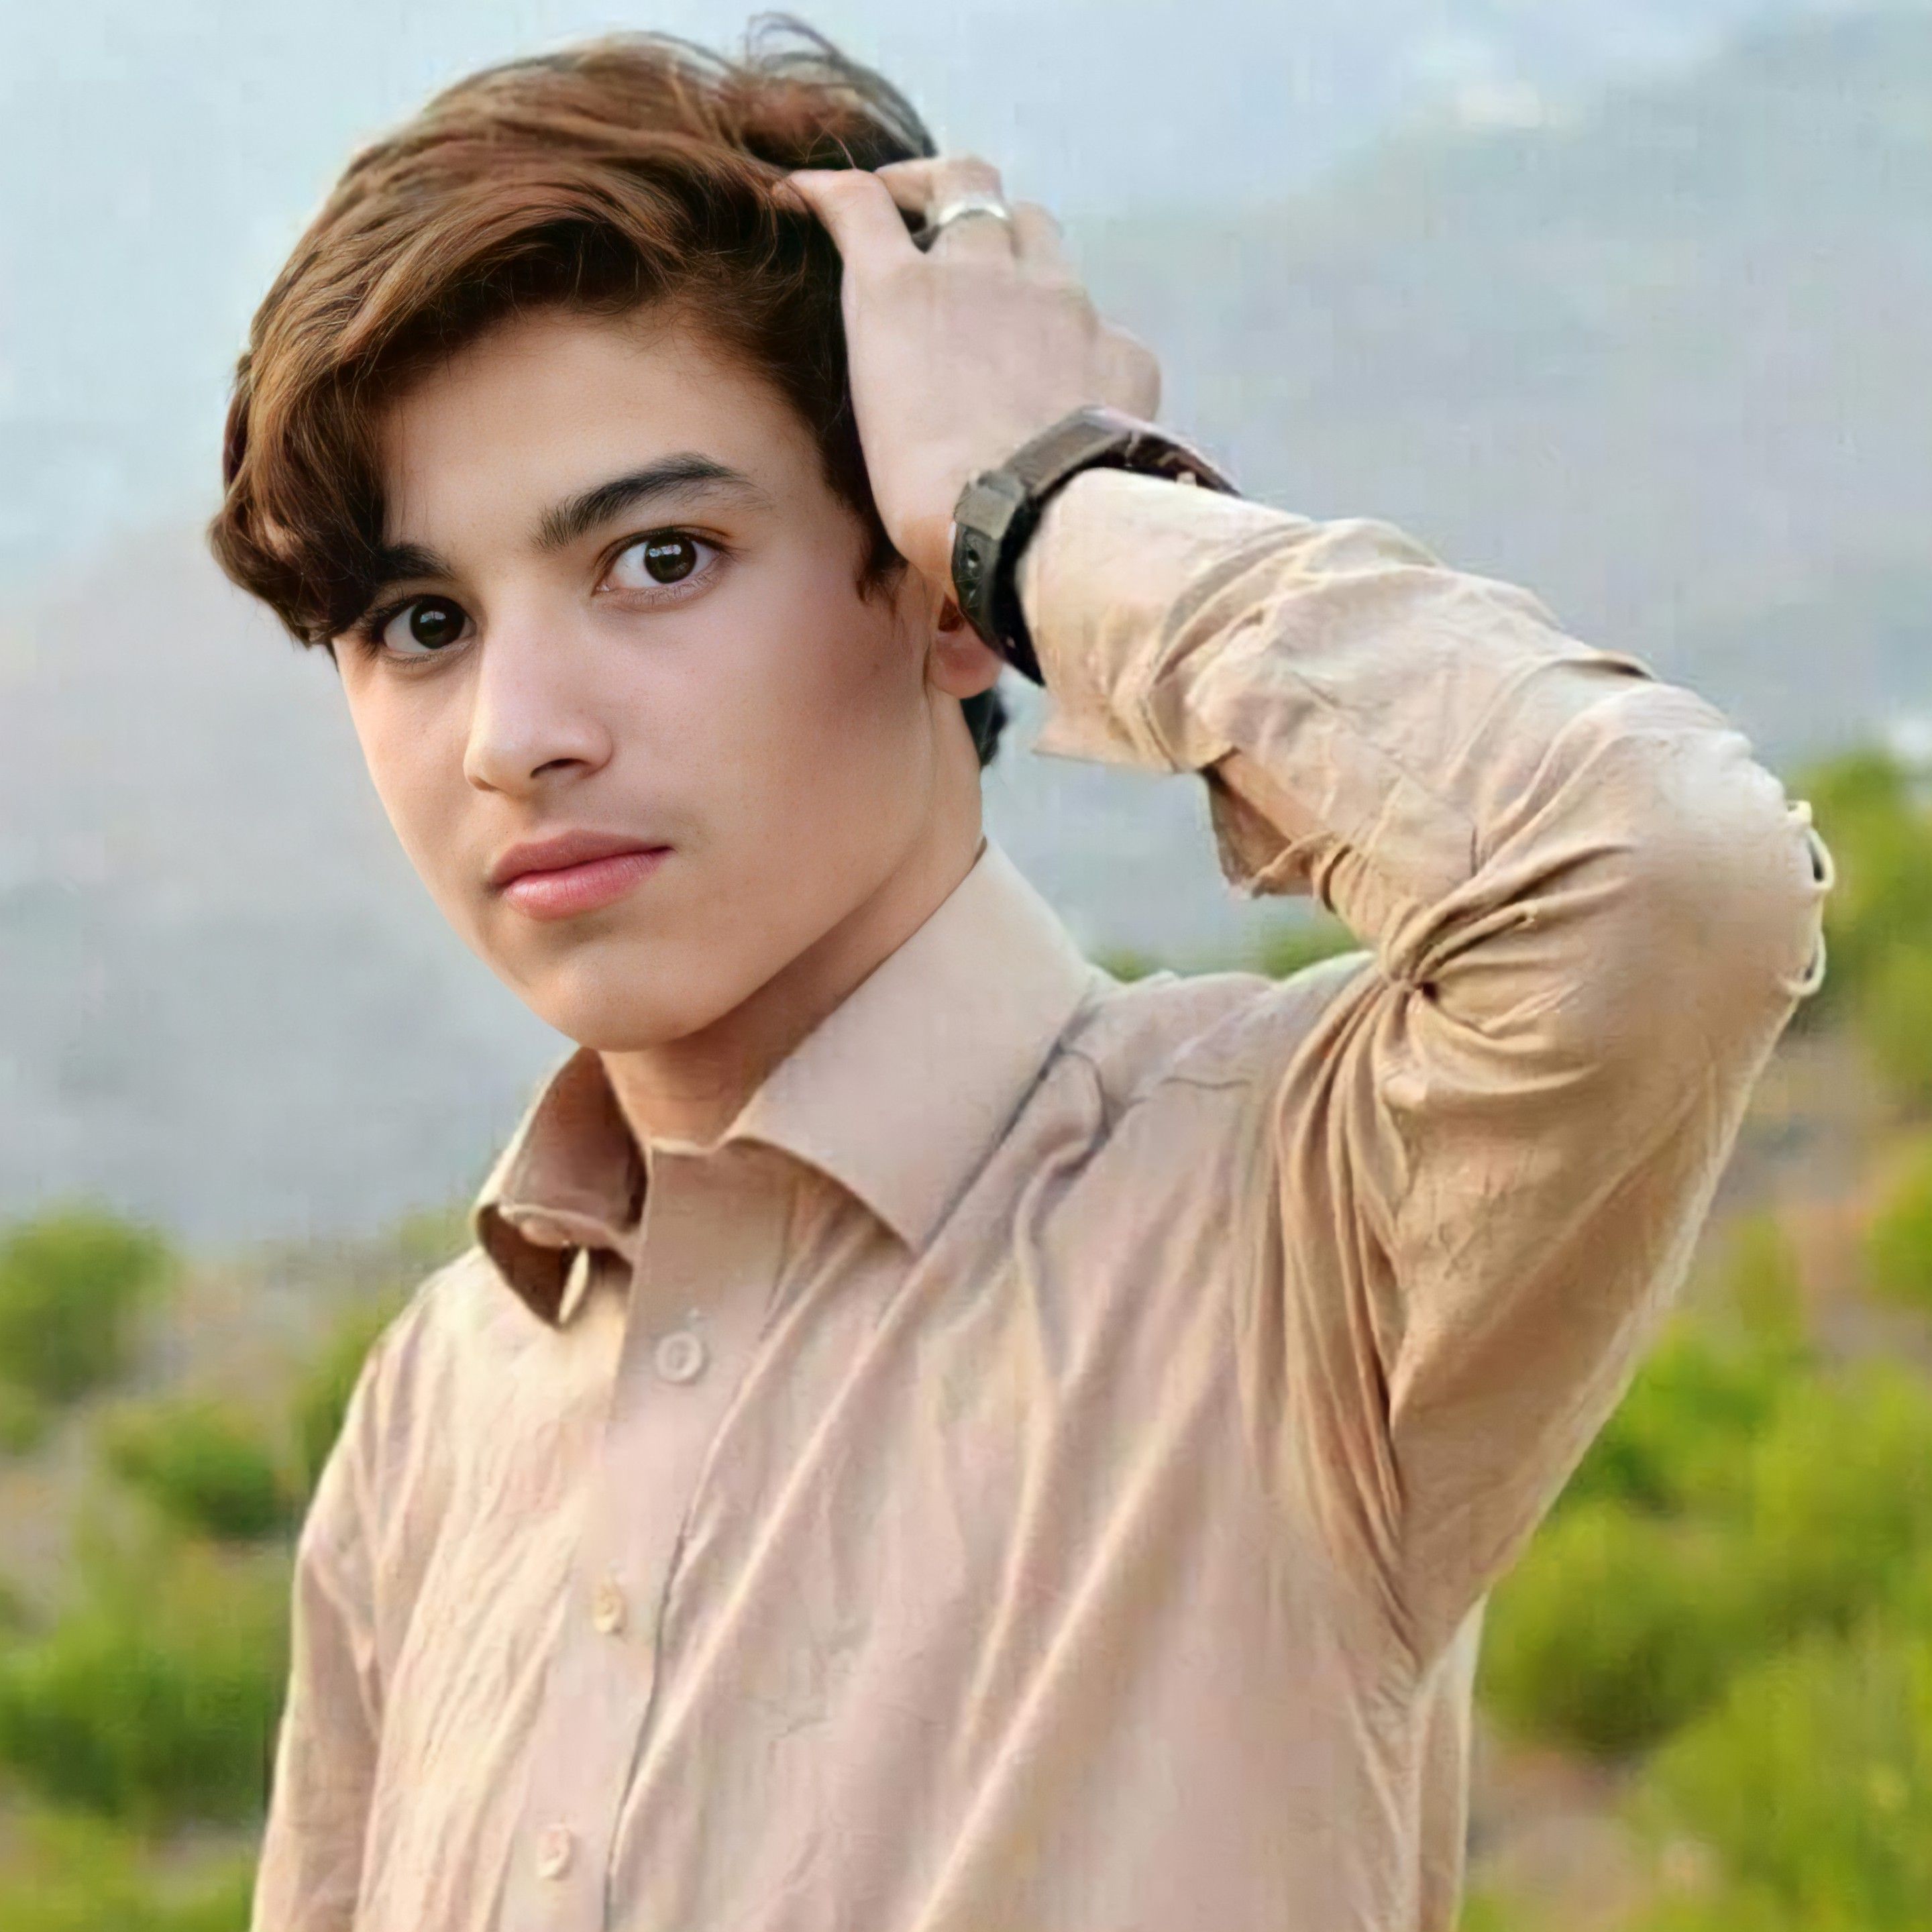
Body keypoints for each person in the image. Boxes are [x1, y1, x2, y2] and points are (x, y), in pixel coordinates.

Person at [209, 22, 1831, 1932]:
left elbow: (1667, 871)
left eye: (660, 560)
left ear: (940, 593)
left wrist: (1049, 500)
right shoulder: (442, 1401)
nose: (515, 735)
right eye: (421, 623)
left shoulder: (1288, 1209)